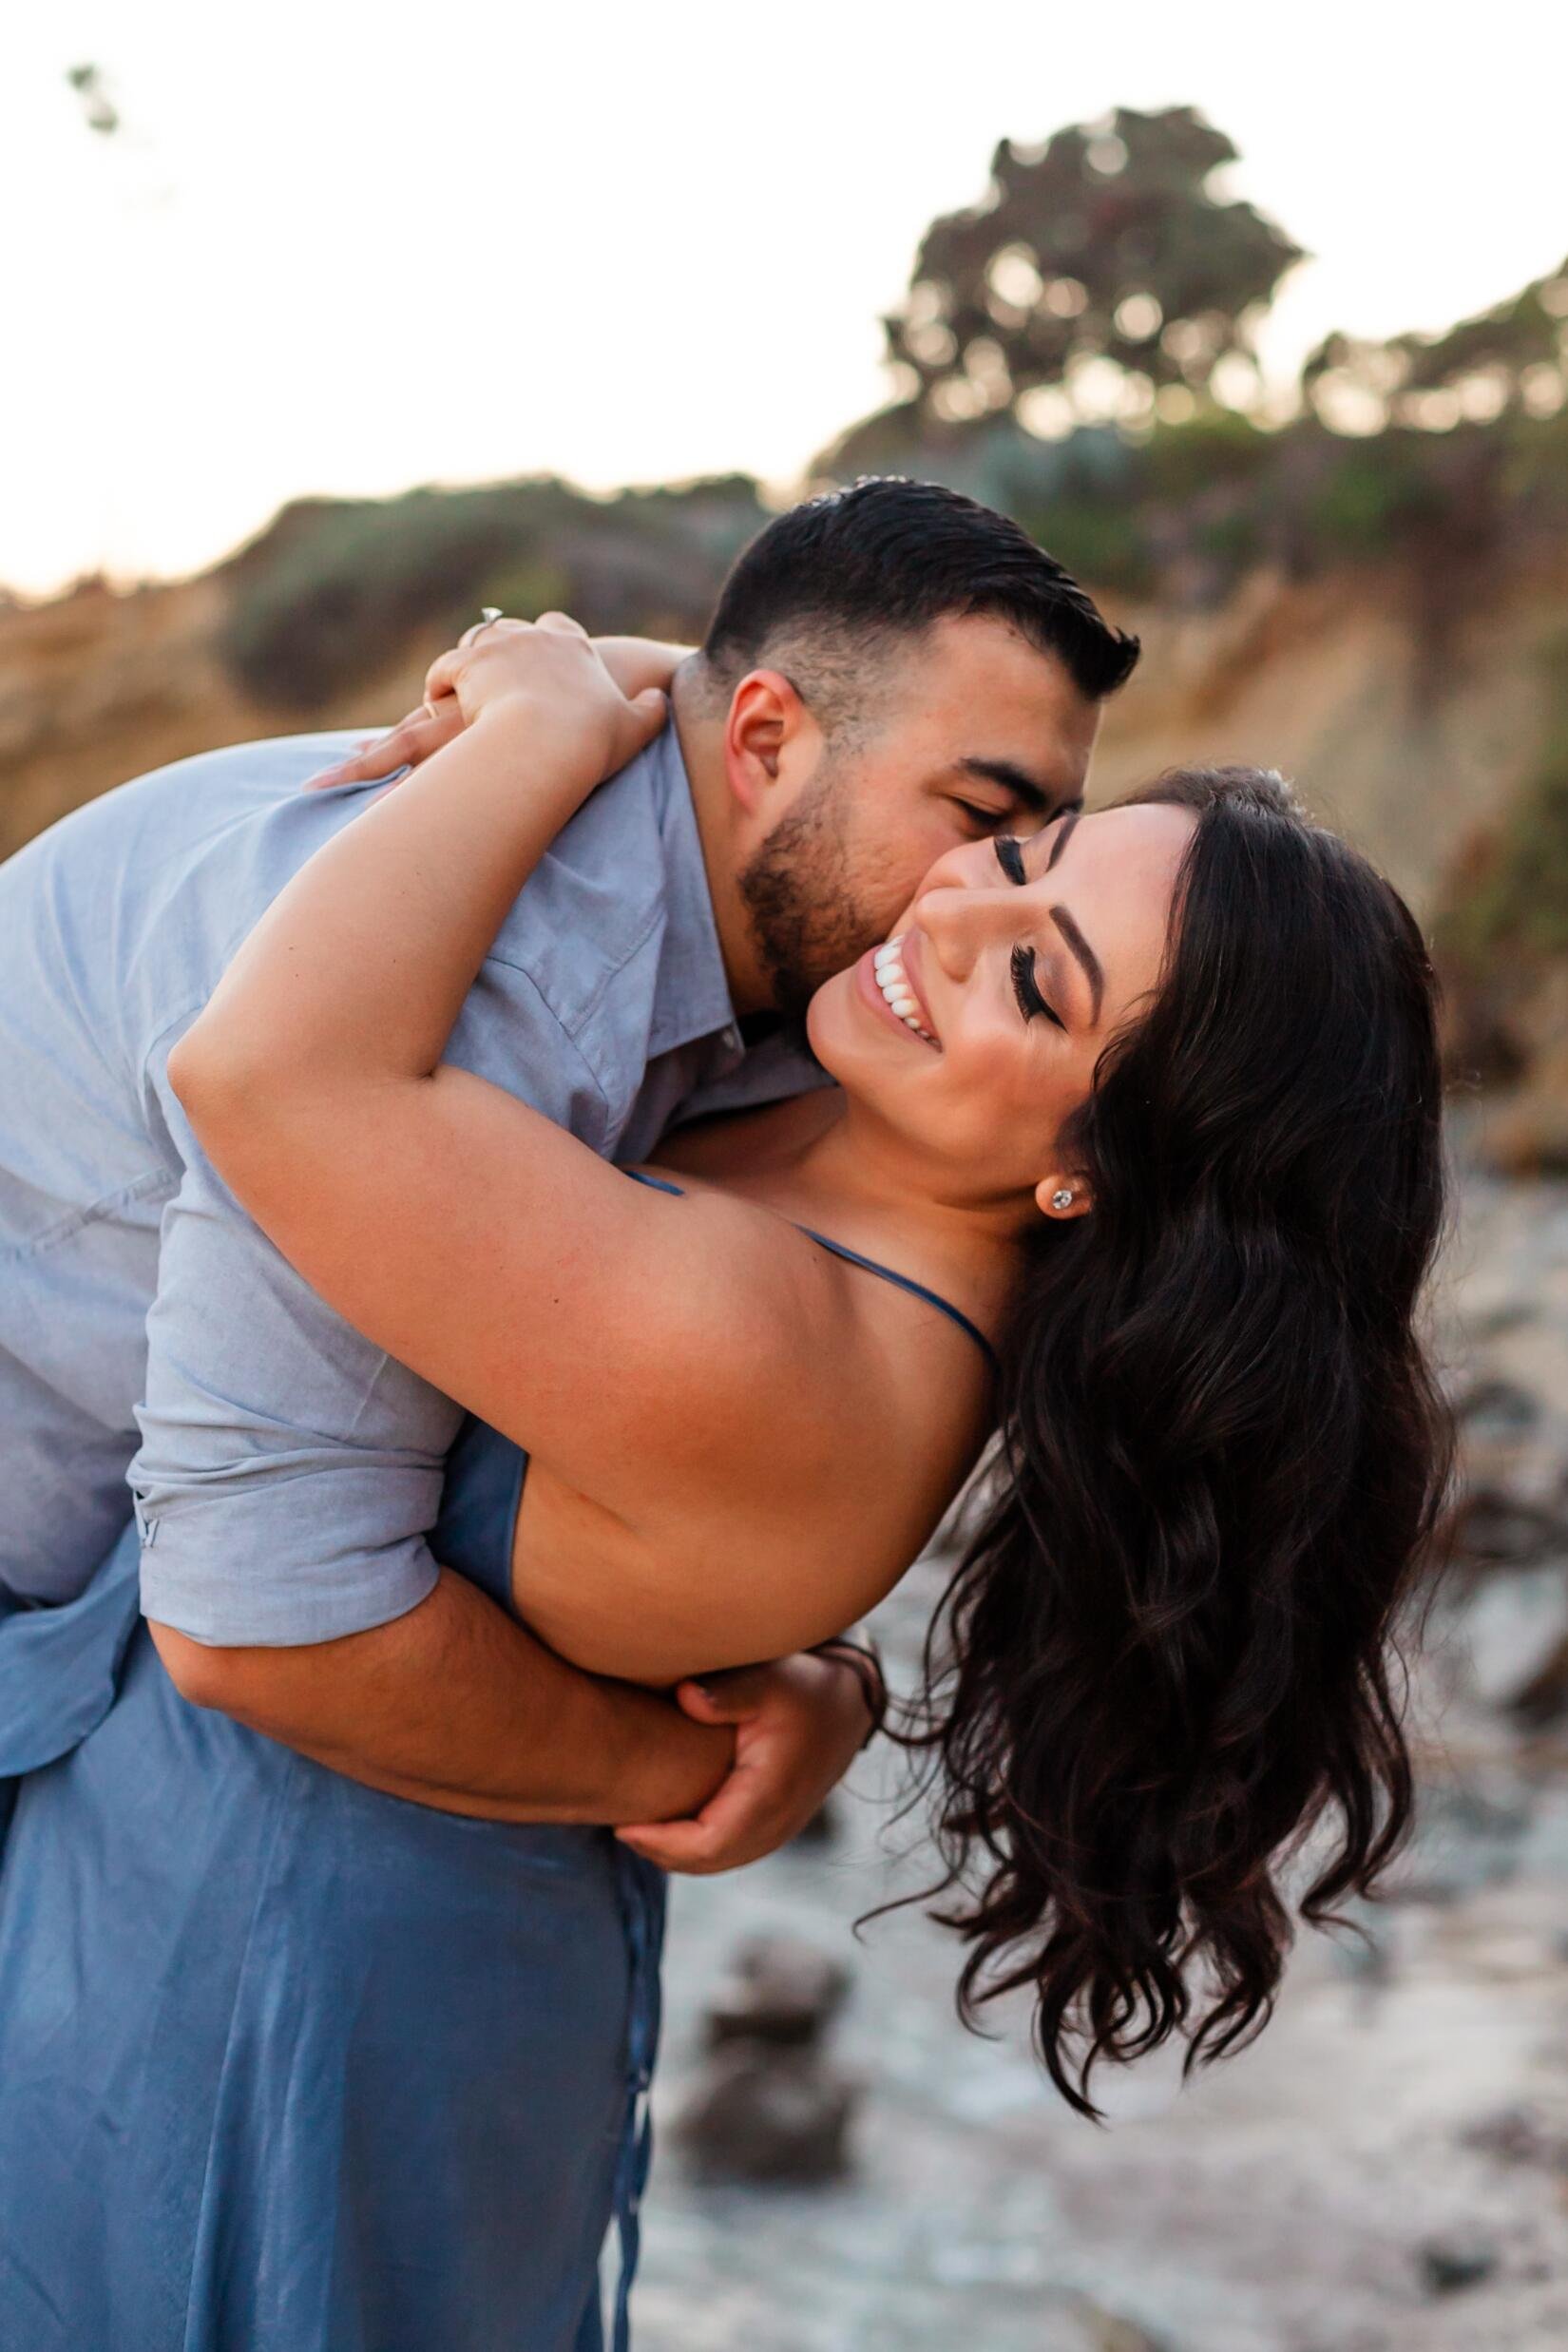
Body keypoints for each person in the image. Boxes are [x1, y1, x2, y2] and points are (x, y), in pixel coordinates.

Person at [0, 482, 1138, 2349]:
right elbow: (259, 1605)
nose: (966, 895)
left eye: (1036, 854)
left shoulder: (771, 950)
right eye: (980, 818)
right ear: (763, 738)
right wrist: (673, 1765)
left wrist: (816, 1661)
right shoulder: (527, 976)